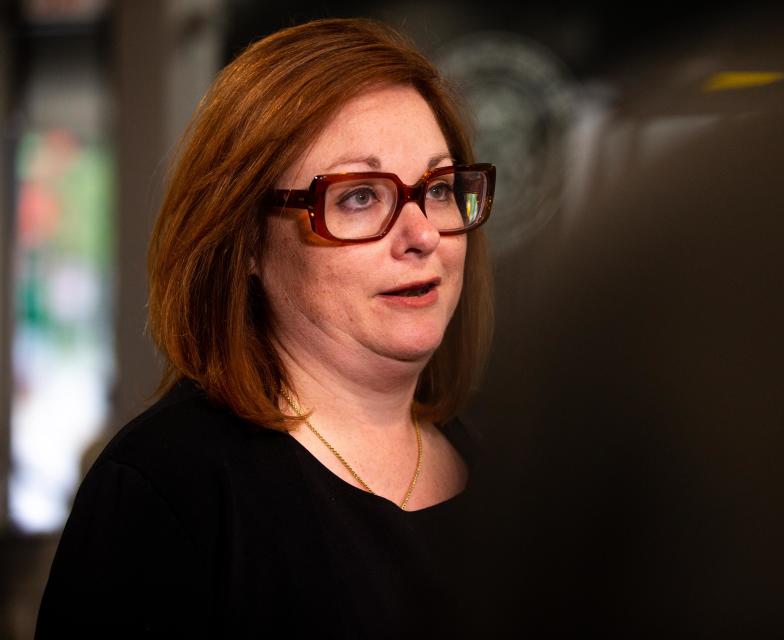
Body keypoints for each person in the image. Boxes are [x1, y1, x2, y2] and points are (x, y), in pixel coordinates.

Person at [36, 18, 495, 637]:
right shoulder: (166, 488)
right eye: (358, 196)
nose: (420, 237)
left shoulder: (503, 466)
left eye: (439, 189)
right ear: (246, 240)